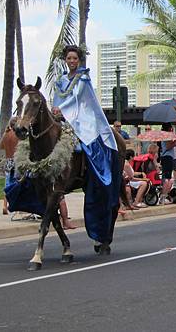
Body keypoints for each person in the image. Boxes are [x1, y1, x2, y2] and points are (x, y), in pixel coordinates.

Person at [51, 45, 121, 243]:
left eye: (75, 58)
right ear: (65, 60)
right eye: (69, 58)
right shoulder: (61, 80)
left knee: (90, 145)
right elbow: (58, 99)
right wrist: (55, 111)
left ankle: (94, 174)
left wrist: (61, 110)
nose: (72, 61)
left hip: (83, 119)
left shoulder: (83, 78)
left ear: (79, 60)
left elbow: (78, 100)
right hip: (64, 117)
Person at [159, 124, 176, 205]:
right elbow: (169, 146)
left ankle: (164, 196)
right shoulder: (167, 135)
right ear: (170, 128)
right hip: (168, 157)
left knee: (165, 177)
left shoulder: (163, 135)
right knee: (167, 178)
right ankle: (163, 197)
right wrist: (175, 142)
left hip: (165, 157)